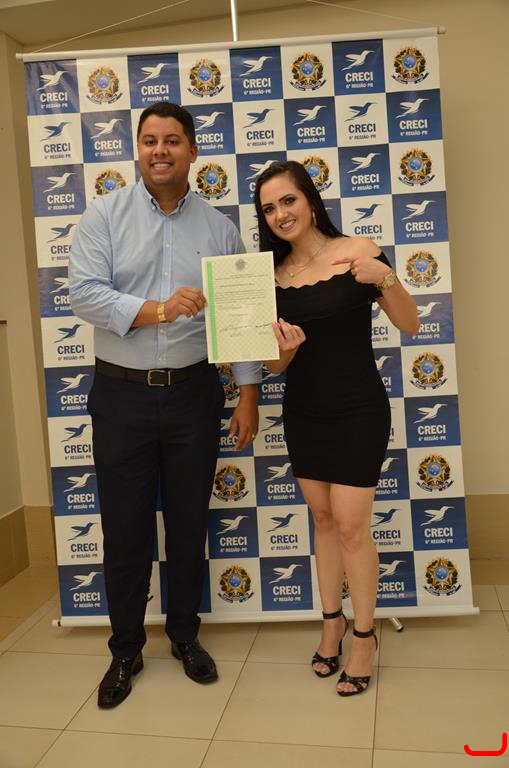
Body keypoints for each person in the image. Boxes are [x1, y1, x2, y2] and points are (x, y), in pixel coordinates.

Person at [69, 101, 260, 708]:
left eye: (172, 140)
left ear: (192, 151)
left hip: (194, 395)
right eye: (149, 140)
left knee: (187, 523)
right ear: (138, 149)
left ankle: (184, 636)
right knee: (125, 531)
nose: (159, 150)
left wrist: (248, 393)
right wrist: (156, 309)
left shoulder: (220, 229)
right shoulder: (104, 215)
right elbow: (83, 294)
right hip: (121, 395)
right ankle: (126, 649)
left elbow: (241, 319)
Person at [254, 160, 419, 696]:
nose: (281, 214)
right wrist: (285, 352)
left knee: (351, 527)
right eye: (269, 208)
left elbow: (411, 323)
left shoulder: (358, 251)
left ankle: (365, 638)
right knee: (323, 521)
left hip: (357, 409)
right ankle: (332, 625)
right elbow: (273, 365)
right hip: (303, 410)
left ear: (309, 199)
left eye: (288, 200)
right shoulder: (270, 278)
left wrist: (385, 277)